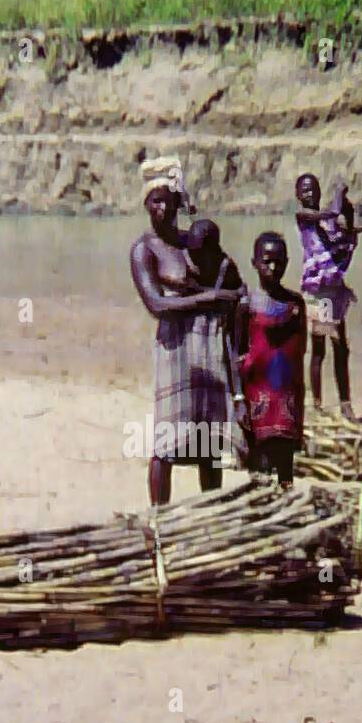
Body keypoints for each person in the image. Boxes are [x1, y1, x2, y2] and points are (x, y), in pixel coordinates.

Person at [130, 159, 249, 506]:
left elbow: (231, 278)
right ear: (145, 204)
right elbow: (156, 305)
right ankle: (160, 521)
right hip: (174, 346)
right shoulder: (144, 250)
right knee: (166, 441)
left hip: (207, 342)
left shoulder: (193, 241)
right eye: (154, 201)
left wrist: (234, 300)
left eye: (167, 200)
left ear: (179, 202)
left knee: (207, 439)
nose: (161, 208)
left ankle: (210, 512)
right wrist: (209, 297)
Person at [239, 232, 306, 489]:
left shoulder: (295, 303)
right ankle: (260, 508)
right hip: (257, 394)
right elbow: (236, 351)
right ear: (254, 262)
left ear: (287, 262)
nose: (273, 267)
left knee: (285, 461)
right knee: (260, 460)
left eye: (279, 262)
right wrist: (237, 398)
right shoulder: (247, 305)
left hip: (287, 394)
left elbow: (300, 352)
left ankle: (285, 501)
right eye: (266, 261)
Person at [295, 173, 359, 420]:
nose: (309, 193)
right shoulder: (305, 217)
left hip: (333, 290)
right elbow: (331, 213)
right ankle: (318, 405)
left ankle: (344, 404)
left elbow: (345, 235)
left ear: (319, 192)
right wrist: (339, 196)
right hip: (318, 291)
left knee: (341, 349)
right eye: (305, 190)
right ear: (298, 196)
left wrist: (349, 212)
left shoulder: (326, 222)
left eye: (313, 189)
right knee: (320, 349)